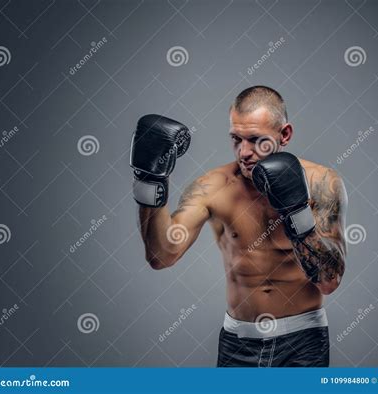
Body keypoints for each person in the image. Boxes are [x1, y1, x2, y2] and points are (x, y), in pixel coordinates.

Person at [130, 86, 347, 367]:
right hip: (238, 344)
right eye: (236, 139)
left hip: (303, 341)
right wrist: (150, 182)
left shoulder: (321, 182)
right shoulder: (213, 186)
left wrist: (297, 212)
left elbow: (329, 281)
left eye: (256, 140)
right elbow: (161, 256)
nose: (244, 152)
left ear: (285, 135)